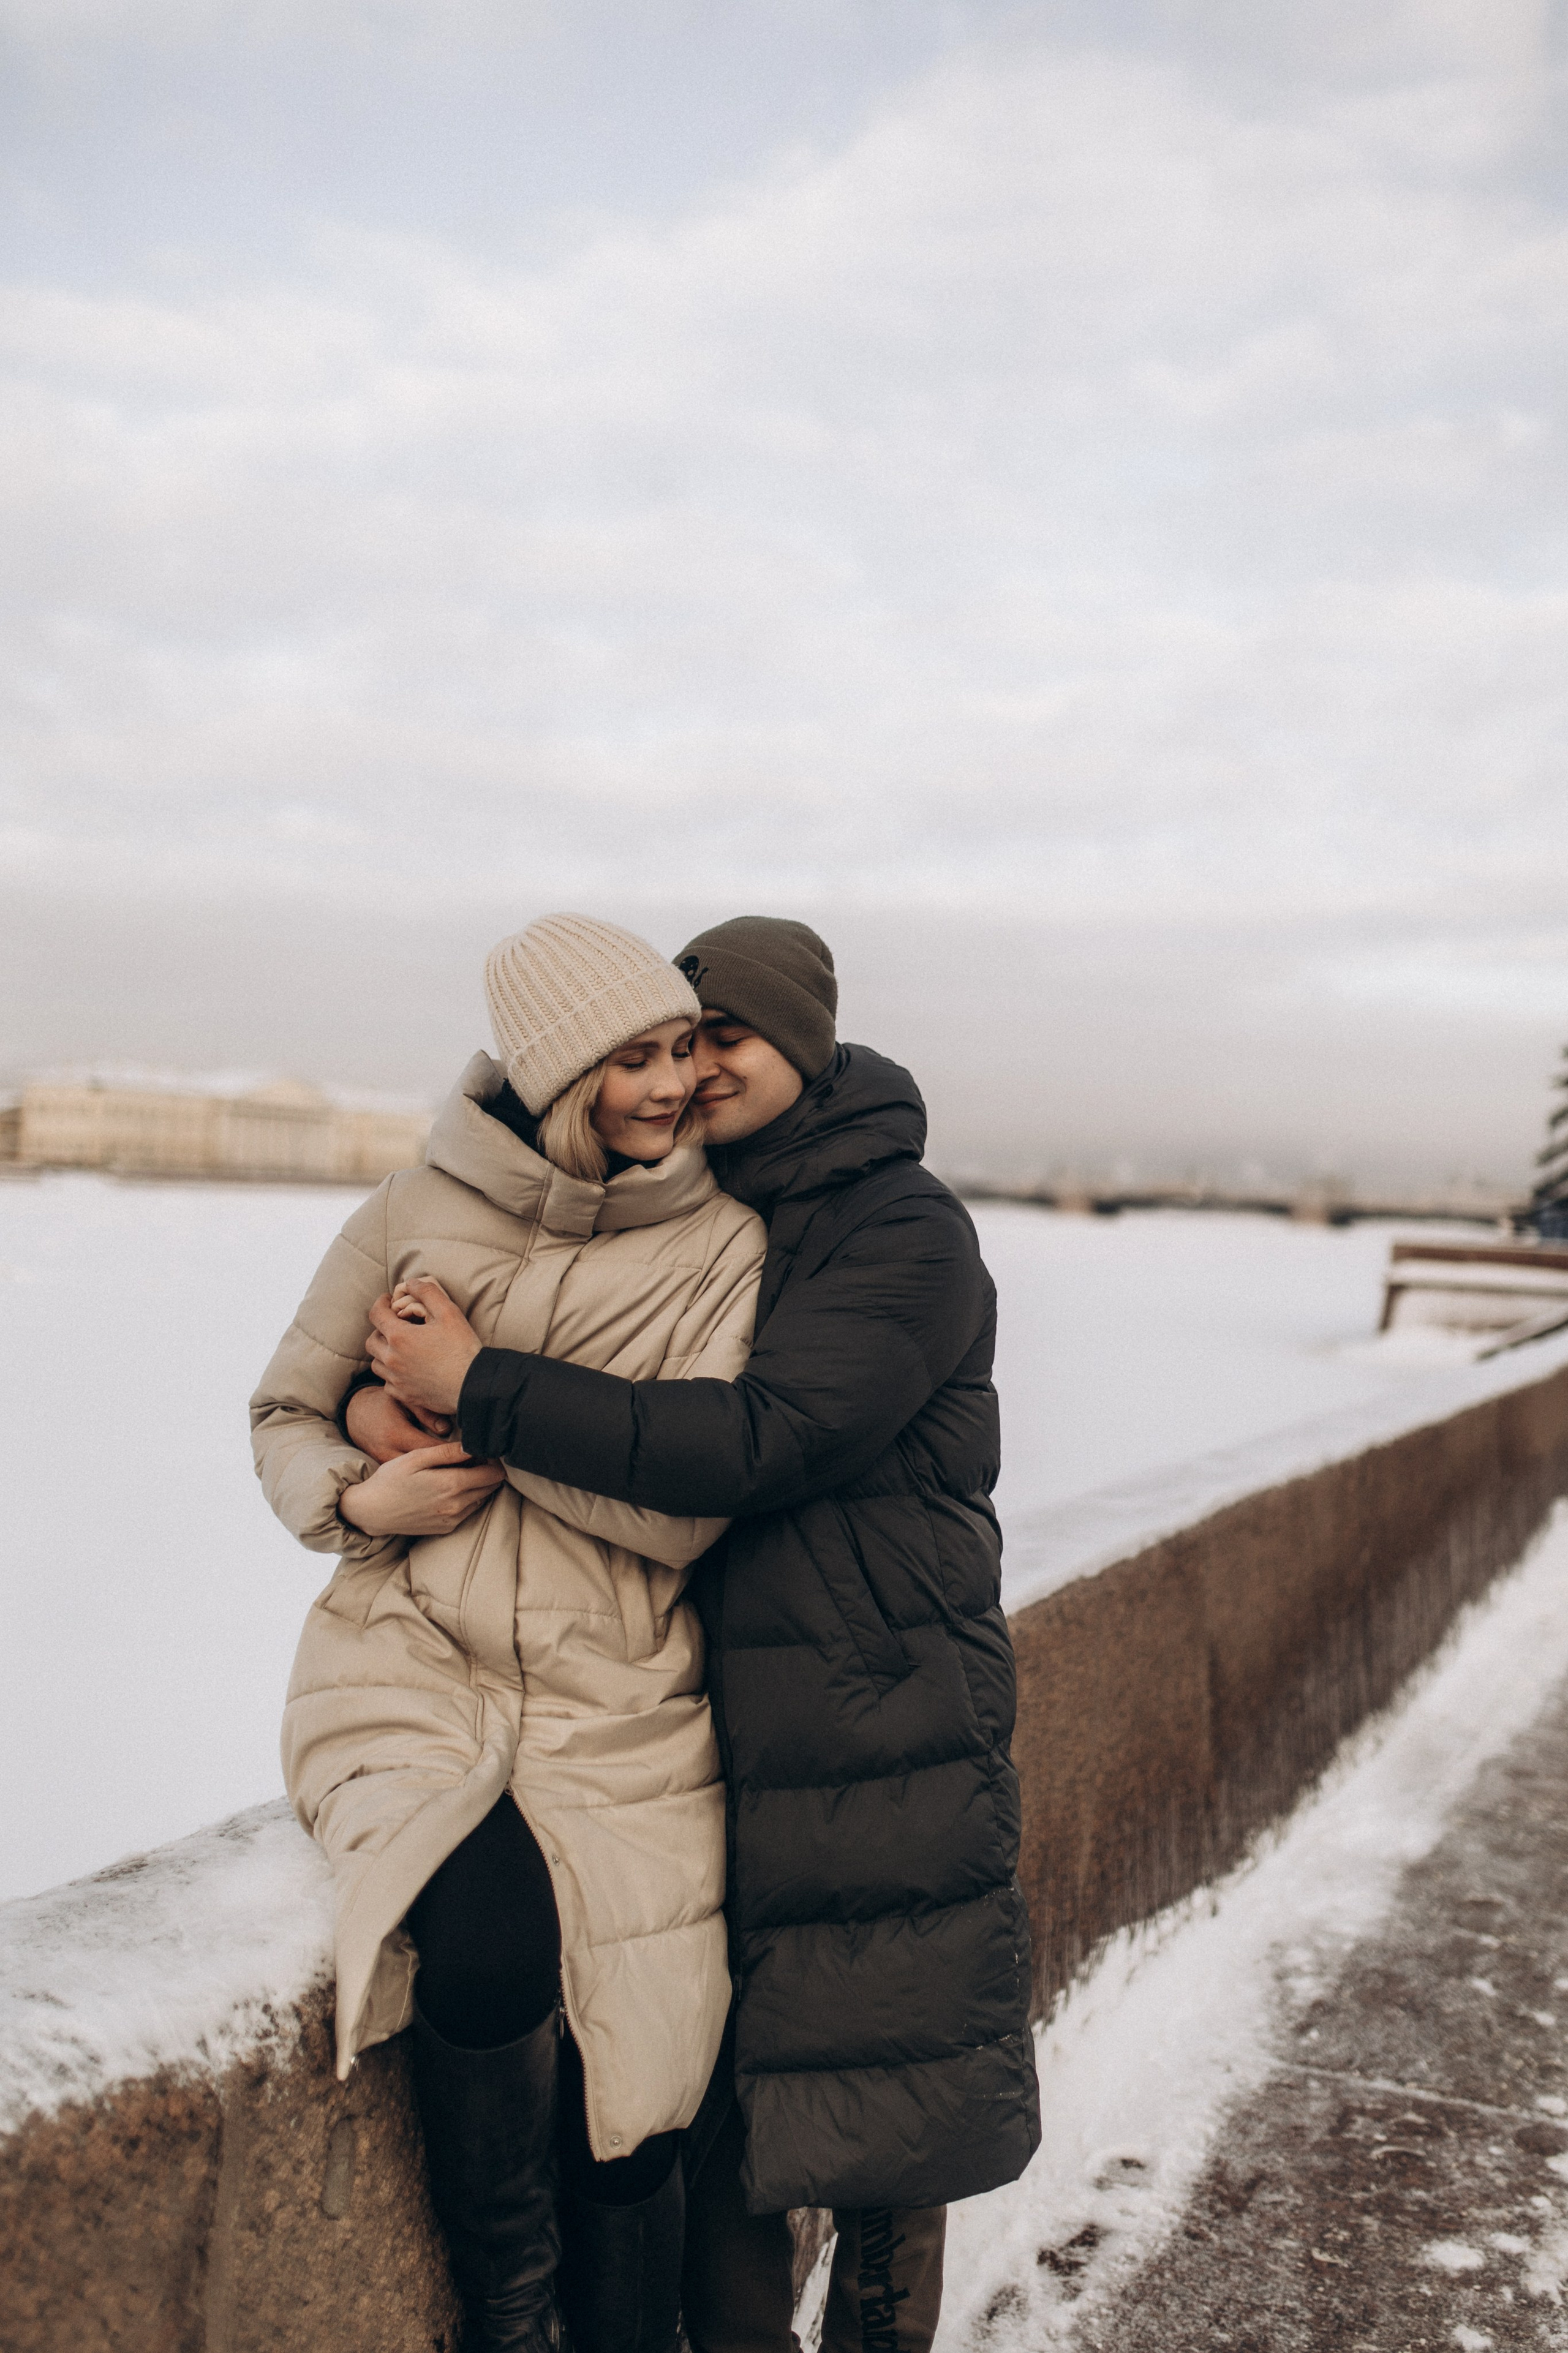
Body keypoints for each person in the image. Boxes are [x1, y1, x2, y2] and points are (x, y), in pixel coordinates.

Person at [363, 914, 1043, 2353]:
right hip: (705, 1703)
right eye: (672, 1042)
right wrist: (382, 1407)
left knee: (881, 2120)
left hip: (877, 1719)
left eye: (722, 1035)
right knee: (716, 2117)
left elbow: (757, 1439)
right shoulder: (697, 1205)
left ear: (800, 1036)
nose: (694, 1070)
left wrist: (481, 1383)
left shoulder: (904, 1229)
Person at [249, 914, 767, 2353]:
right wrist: (362, 1488)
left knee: (635, 2092)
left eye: (680, 1047)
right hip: (405, 1663)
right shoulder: (413, 1208)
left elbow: (681, 1512)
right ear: (553, 1073)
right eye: (632, 1057)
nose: (670, 1084)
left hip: (620, 1691)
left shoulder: (722, 1245)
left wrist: (473, 1388)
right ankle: (511, 2320)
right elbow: (283, 1410)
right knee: (484, 1946)